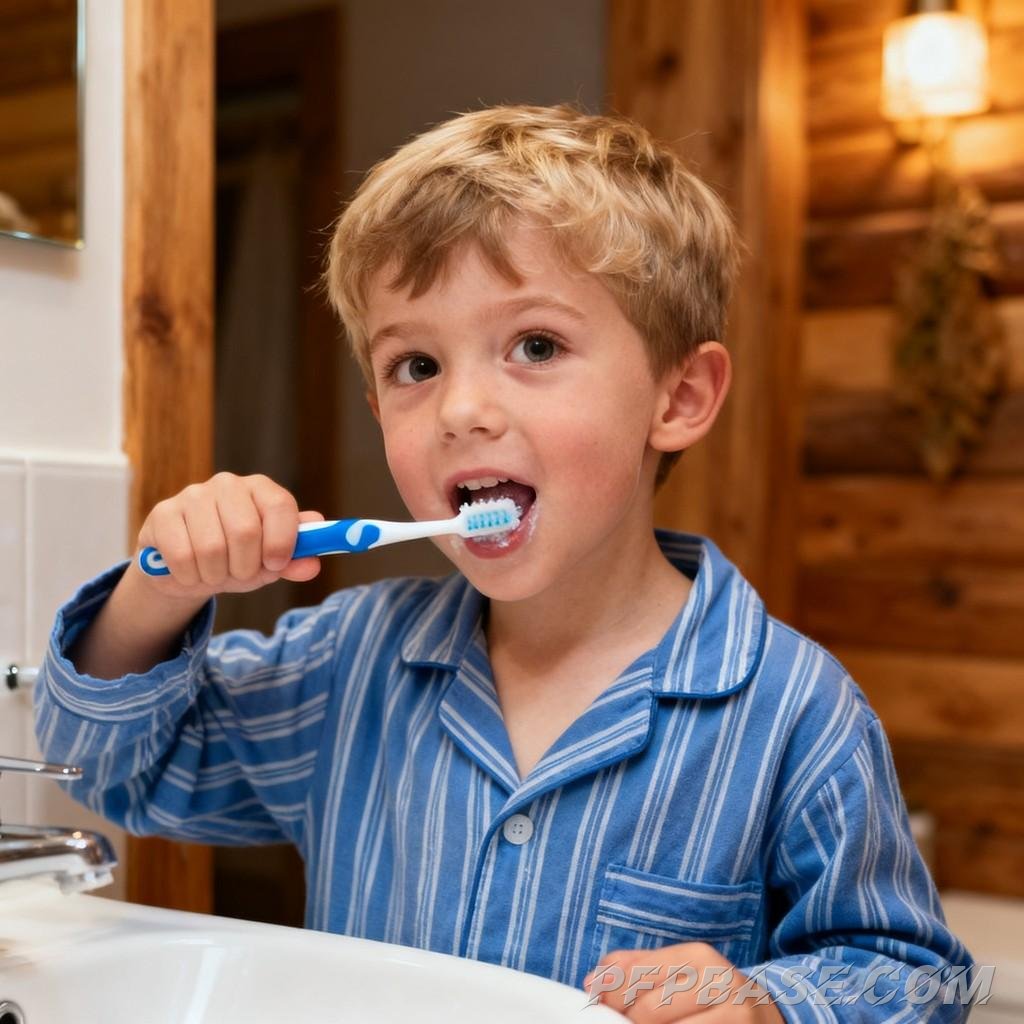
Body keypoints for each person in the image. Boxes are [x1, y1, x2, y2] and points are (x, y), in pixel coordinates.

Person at [35, 104, 974, 1021]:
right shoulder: (347, 665)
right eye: (416, 366)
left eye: (535, 345)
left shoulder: (794, 713)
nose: (460, 410)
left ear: (679, 396)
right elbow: (116, 770)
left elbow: (918, 978)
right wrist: (159, 585)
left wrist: (767, 1004)